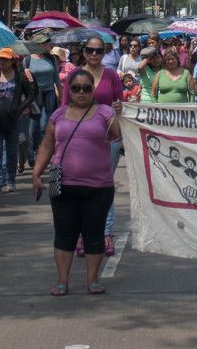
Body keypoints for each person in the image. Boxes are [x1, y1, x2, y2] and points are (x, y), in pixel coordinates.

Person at [34, 68, 121, 295]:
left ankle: (92, 280)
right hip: (64, 187)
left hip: (99, 187)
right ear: (69, 90)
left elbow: (120, 134)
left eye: (86, 88)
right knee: (64, 234)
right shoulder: (58, 115)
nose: (81, 92)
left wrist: (120, 115)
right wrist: (36, 173)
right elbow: (47, 145)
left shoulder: (105, 113)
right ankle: (62, 280)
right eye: (76, 88)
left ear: (93, 90)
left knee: (94, 234)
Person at [64, 37, 124, 256]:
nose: (94, 54)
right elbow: (64, 107)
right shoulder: (74, 75)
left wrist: (119, 106)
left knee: (105, 185)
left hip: (108, 138)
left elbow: (122, 104)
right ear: (84, 52)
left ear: (104, 53)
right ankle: (83, 234)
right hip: (80, 139)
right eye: (90, 50)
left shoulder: (111, 75)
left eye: (99, 51)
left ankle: (105, 233)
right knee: (82, 185)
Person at [0, 48, 37, 196]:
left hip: (13, 121)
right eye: (0, 59)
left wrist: (20, 108)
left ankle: (10, 180)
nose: (2, 62)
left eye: (6, 59)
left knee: (12, 152)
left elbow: (32, 94)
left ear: (12, 60)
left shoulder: (21, 77)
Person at [24, 34, 61, 173]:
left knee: (44, 126)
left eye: (47, 43)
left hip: (49, 95)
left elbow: (57, 80)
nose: (47, 45)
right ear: (37, 45)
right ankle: (31, 154)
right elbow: (23, 80)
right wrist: (25, 74)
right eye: (44, 43)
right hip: (34, 96)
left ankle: (42, 154)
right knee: (32, 128)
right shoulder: (27, 60)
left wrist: (61, 97)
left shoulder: (51, 58)